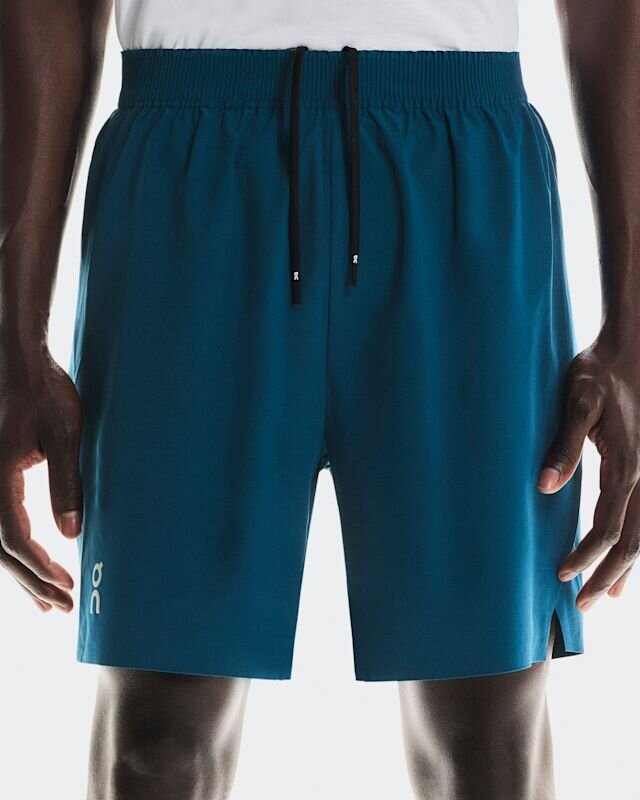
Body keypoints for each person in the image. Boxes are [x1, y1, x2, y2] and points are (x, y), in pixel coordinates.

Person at [1, 1, 639, 798]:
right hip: (189, 168)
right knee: (155, 735)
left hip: (460, 166)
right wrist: (14, 338)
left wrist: (632, 331)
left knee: (488, 738)